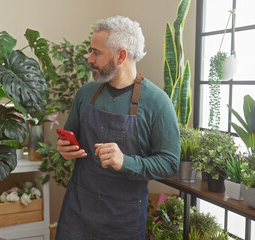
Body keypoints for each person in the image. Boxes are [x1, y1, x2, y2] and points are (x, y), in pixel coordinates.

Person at [55, 15, 180, 240]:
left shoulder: (158, 103)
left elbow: (170, 163)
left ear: (121, 55)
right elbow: (68, 137)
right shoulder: (85, 94)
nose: (89, 58)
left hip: (124, 221)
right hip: (78, 213)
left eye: (96, 52)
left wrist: (126, 162)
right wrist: (64, 149)